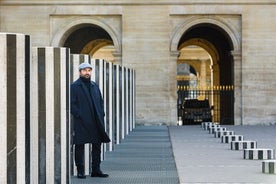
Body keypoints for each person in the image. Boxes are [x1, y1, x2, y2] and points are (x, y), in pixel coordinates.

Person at [71, 62, 110, 179]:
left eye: (89, 70)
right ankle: (81, 171)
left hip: (96, 120)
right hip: (82, 121)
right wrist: (79, 115)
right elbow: (71, 103)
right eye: (84, 70)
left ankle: (96, 170)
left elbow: (100, 101)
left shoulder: (94, 85)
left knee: (97, 145)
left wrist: (101, 113)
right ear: (80, 72)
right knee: (79, 145)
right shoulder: (74, 86)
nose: (87, 72)